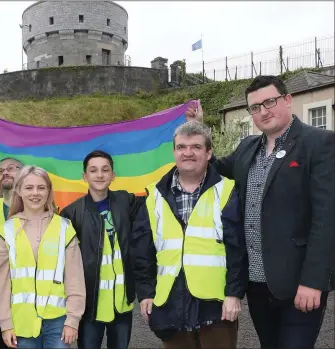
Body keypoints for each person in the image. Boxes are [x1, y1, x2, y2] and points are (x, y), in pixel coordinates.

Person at [186, 75, 335, 349]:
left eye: (269, 102)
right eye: (255, 107)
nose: (263, 111)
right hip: (256, 283)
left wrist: (313, 281)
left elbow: (326, 220)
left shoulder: (319, 143)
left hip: (298, 284)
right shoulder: (247, 148)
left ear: (287, 100)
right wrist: (198, 130)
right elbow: (211, 170)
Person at [132, 121, 248, 349]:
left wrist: (234, 293)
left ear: (209, 152)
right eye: (182, 147)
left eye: (196, 146)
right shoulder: (154, 195)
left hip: (215, 304)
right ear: (174, 152)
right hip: (170, 301)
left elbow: (238, 248)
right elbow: (141, 251)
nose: (188, 152)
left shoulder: (227, 191)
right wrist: (146, 293)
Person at [0, 166, 86, 349]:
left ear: (49, 191)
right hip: (22, 322)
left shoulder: (64, 227)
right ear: (19, 190)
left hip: (58, 320)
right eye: (29, 188)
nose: (35, 193)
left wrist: (73, 319)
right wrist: (5, 324)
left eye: (41, 188)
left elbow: (75, 278)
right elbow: (1, 283)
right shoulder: (7, 231)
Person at [60, 150, 145, 349]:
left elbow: (158, 195)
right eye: (93, 170)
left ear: (113, 175)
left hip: (121, 303)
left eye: (105, 170)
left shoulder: (126, 201)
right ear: (84, 176)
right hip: (90, 305)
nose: (100, 175)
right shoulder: (71, 213)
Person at [0, 157, 24, 349]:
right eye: (0, 171)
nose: (5, 173)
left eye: (11, 168)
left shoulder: (38, 208)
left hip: (31, 299)